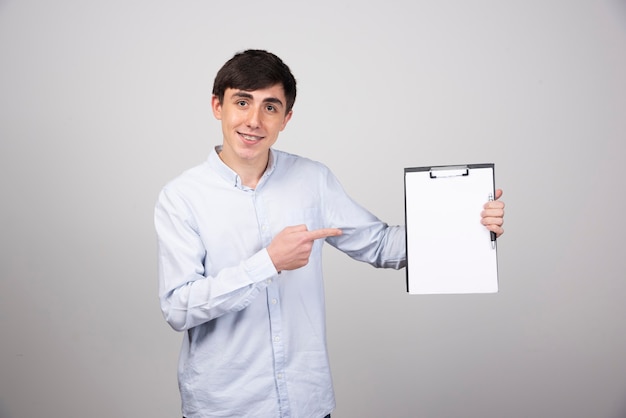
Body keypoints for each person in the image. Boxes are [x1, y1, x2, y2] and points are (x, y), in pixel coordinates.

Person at [154, 49, 505, 418]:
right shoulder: (181, 198)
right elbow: (178, 307)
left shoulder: (312, 180)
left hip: (306, 403)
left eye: (270, 107)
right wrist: (268, 262)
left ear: (286, 118)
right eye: (242, 102)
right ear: (217, 106)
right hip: (224, 407)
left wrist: (468, 224)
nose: (254, 120)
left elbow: (382, 246)